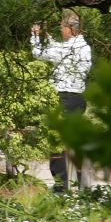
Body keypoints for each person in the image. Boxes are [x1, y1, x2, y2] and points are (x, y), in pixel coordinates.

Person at [31, 15, 93, 192]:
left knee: (57, 142)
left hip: (65, 99)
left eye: (62, 28)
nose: (60, 30)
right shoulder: (84, 47)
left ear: (69, 29)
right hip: (79, 99)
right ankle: (84, 186)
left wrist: (35, 36)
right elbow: (59, 48)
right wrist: (47, 36)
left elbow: (38, 53)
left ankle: (61, 187)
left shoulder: (67, 49)